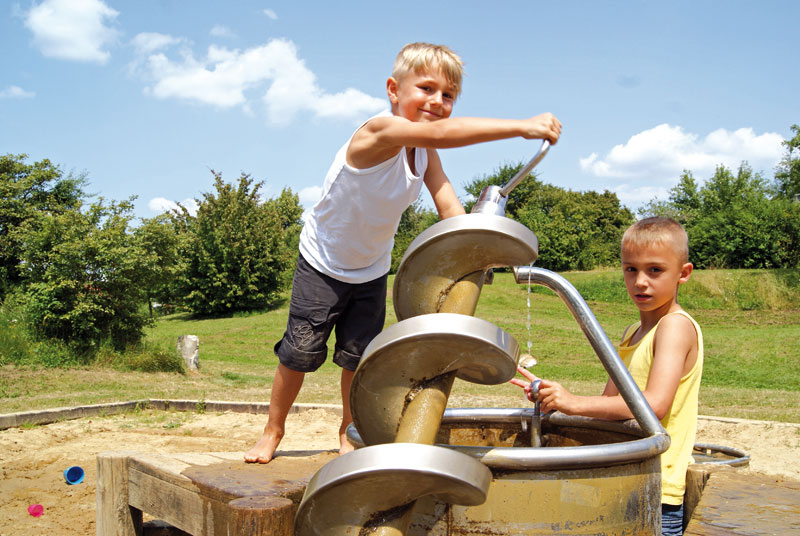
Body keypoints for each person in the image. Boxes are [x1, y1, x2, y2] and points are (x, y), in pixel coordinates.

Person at [245, 41, 562, 464]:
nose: (437, 101)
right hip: (322, 262)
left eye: (448, 95)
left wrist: (478, 247)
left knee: (357, 359)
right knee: (299, 355)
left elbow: (447, 202)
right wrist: (521, 127)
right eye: (426, 89)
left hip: (371, 268)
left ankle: (348, 431)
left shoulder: (424, 152)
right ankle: (273, 429)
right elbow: (439, 133)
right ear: (394, 90)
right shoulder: (379, 132)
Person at [511, 217, 703, 536]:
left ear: (683, 274)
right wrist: (554, 398)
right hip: (628, 475)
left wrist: (572, 403)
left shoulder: (674, 327)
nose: (641, 281)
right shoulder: (633, 333)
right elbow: (608, 406)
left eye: (655, 270)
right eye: (631, 269)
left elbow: (653, 407)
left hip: (657, 488)